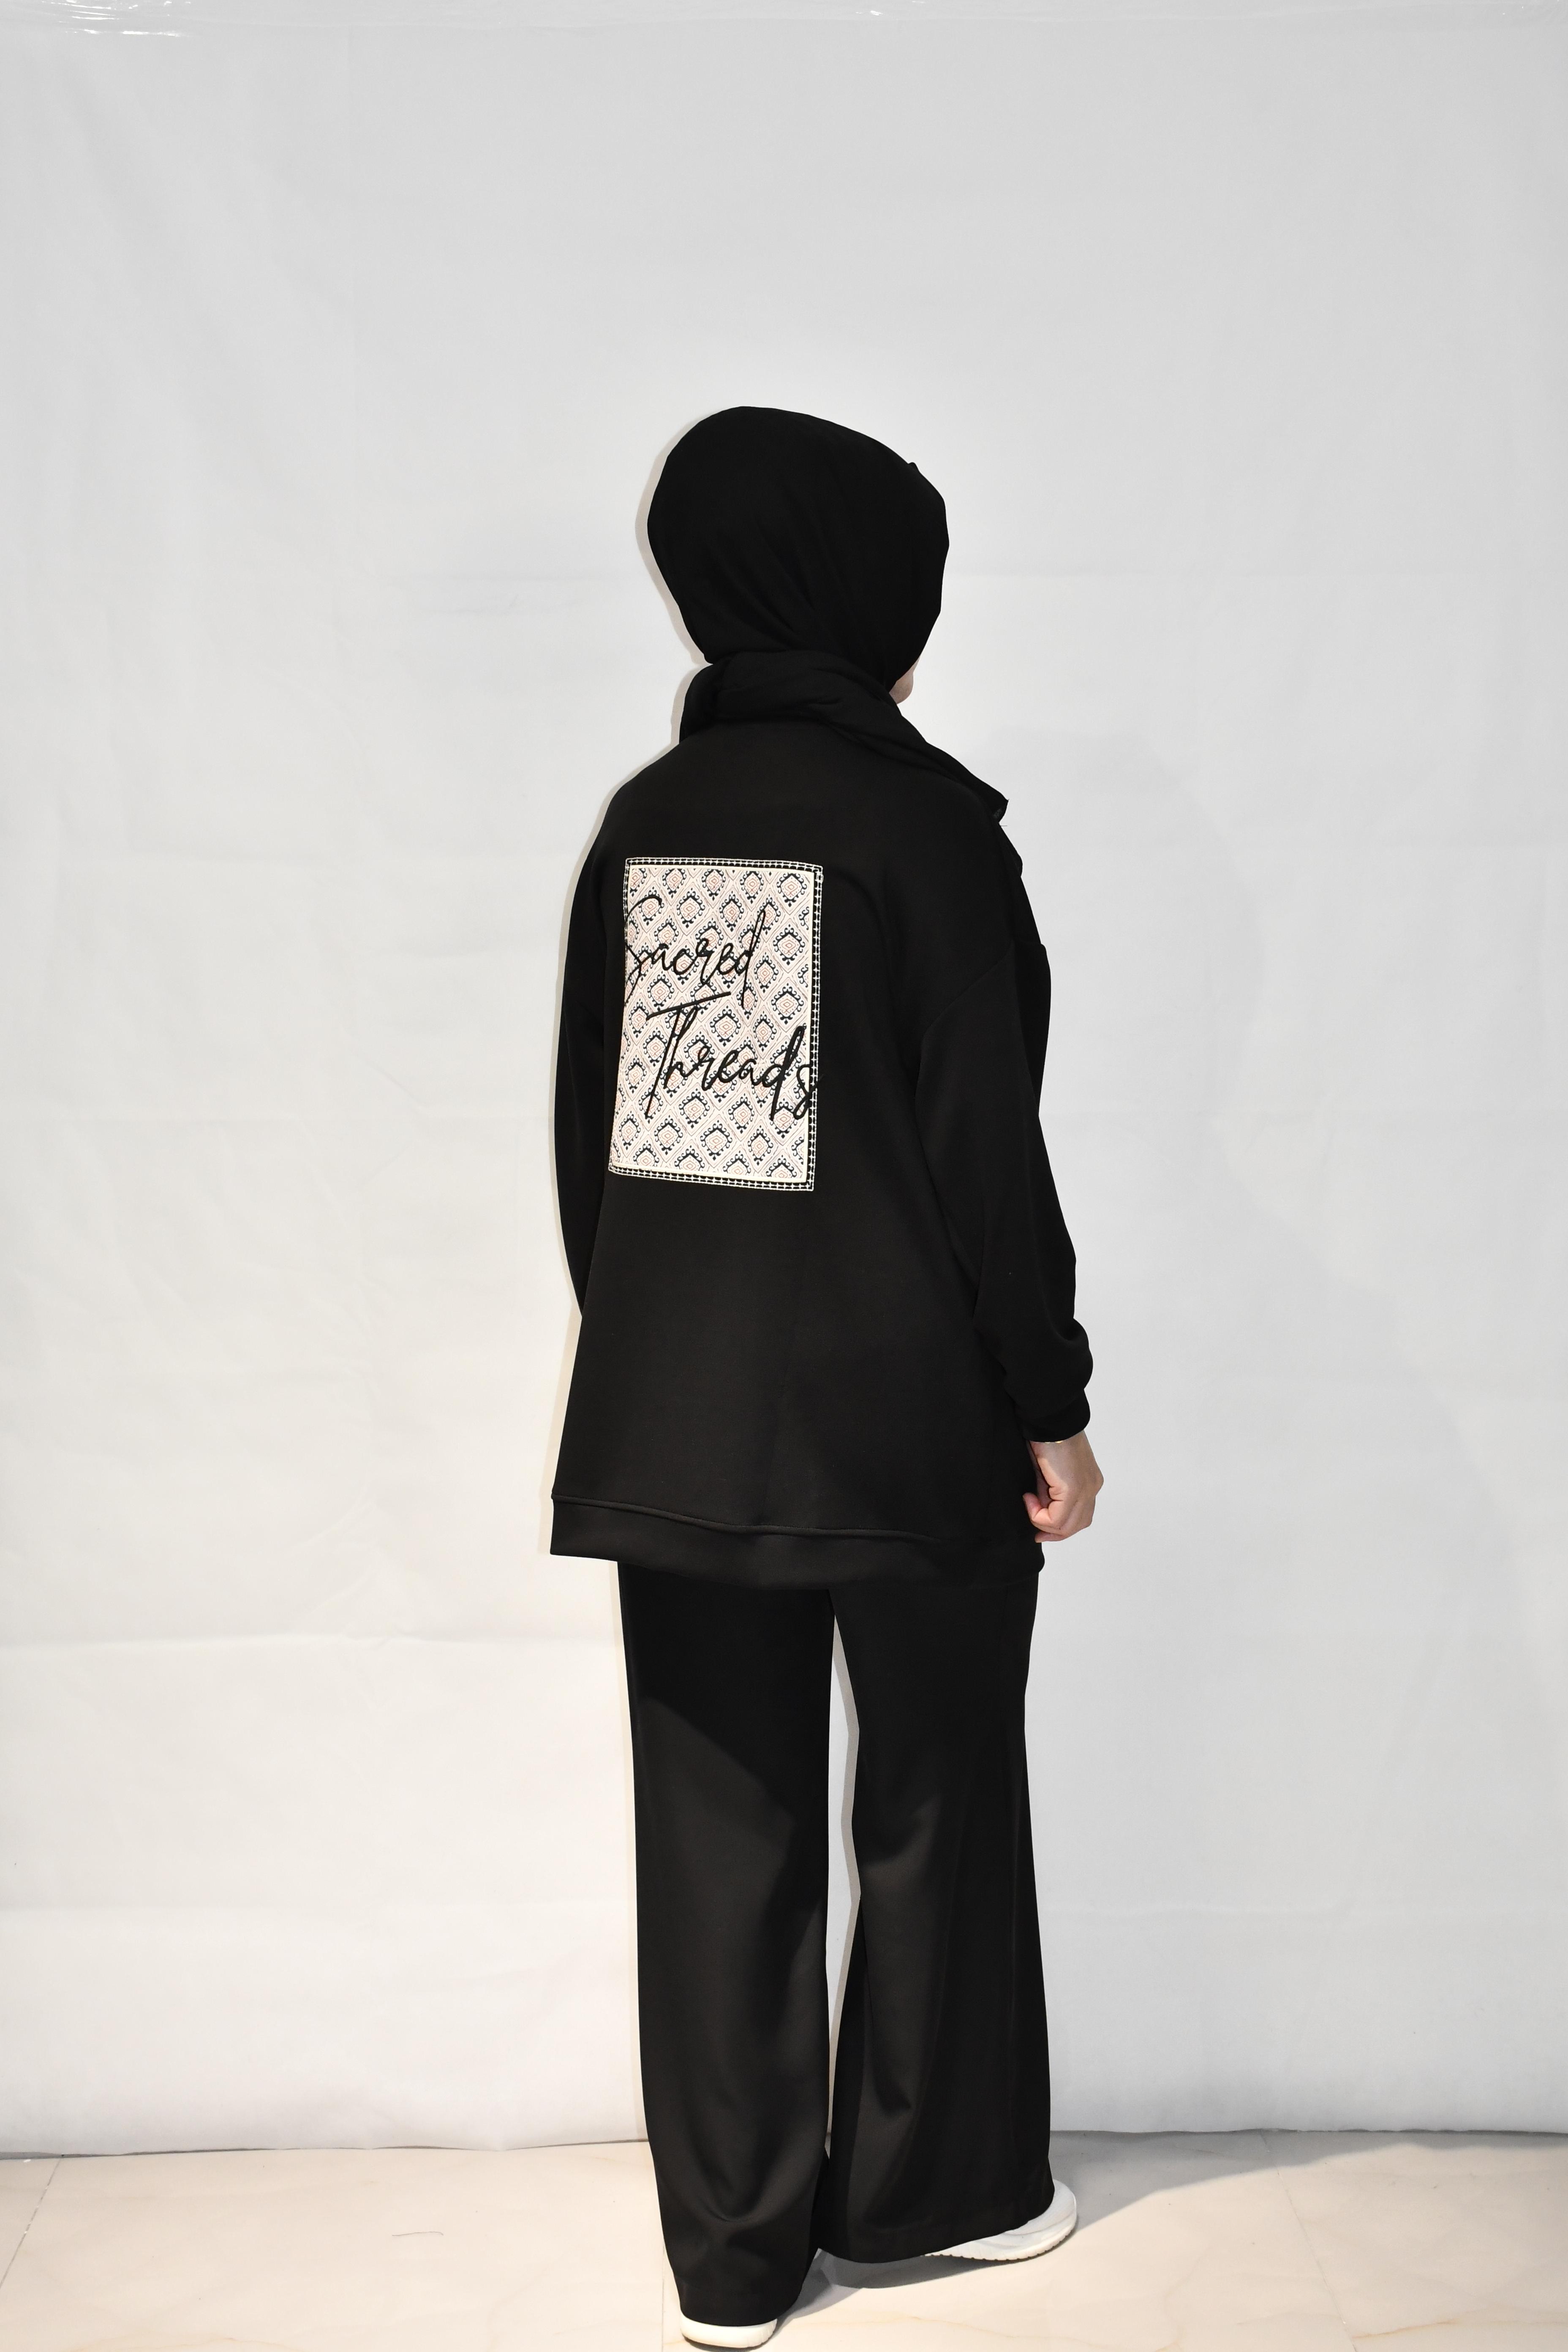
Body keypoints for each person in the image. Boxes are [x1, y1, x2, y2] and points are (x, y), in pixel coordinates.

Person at [551, 407, 1101, 2349]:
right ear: (871, 598)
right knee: (938, 1796)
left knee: (720, 1828)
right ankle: (937, 2190)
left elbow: (595, 1160)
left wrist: (664, 1368)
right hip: (908, 1423)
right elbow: (983, 1159)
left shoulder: (649, 821)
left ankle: (731, 2264)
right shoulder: (921, 830)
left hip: (677, 1422)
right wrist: (1048, 1401)